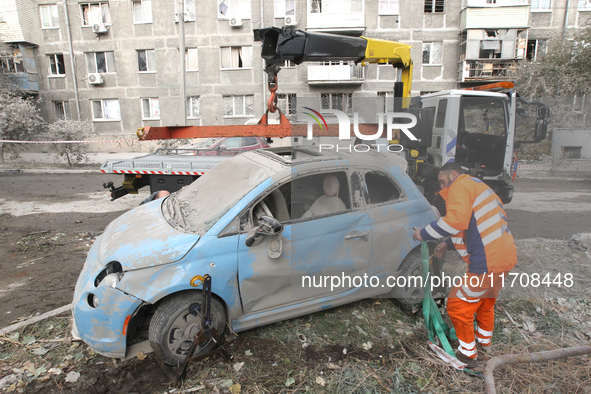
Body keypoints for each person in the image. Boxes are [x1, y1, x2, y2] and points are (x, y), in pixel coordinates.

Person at [412, 162, 516, 367]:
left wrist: (422, 233)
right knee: (485, 302)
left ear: (453, 174)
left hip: (487, 262)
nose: (442, 188)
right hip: (504, 257)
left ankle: (468, 354)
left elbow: (456, 221)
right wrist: (446, 244)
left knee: (458, 304)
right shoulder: (479, 189)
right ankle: (484, 342)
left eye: (443, 181)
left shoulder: (460, 185)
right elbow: (472, 228)